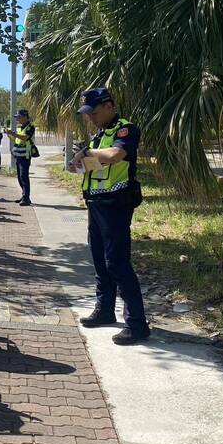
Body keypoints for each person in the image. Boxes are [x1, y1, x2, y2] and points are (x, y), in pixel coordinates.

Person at [68, 88, 151, 345]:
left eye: (93, 112)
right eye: (87, 113)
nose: (90, 117)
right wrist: (78, 163)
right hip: (96, 204)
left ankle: (137, 324)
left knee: (117, 263)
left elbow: (116, 155)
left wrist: (87, 154)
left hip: (116, 204)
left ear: (109, 106)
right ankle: (104, 310)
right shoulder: (98, 135)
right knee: (99, 260)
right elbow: (93, 164)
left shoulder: (125, 130)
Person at [5, 109, 35, 206]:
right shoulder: (20, 128)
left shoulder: (30, 127)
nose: (17, 119)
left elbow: (25, 138)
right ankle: (24, 196)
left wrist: (14, 134)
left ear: (25, 117)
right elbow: (16, 140)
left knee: (24, 176)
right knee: (19, 177)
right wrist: (9, 134)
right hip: (18, 155)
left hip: (25, 156)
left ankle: (26, 198)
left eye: (19, 117)